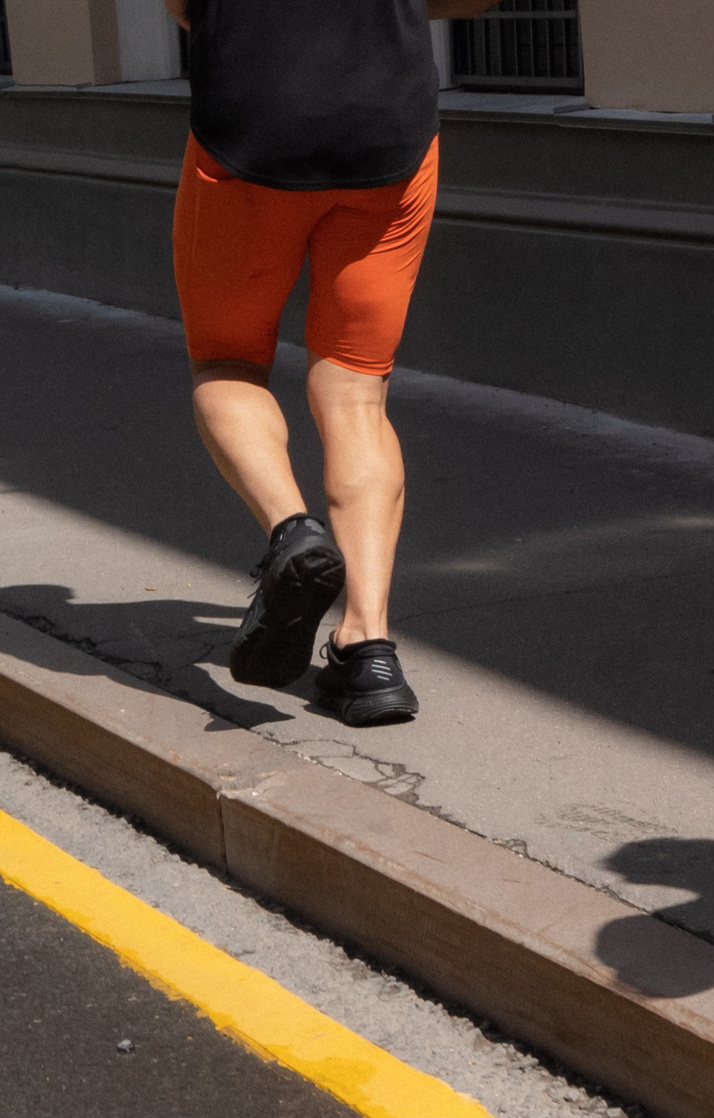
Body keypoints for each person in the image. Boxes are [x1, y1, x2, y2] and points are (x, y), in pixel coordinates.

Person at [163, 0, 501, 725]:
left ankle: (292, 531)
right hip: (387, 131)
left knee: (227, 361)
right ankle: (367, 650)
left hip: (248, 128)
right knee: (356, 387)